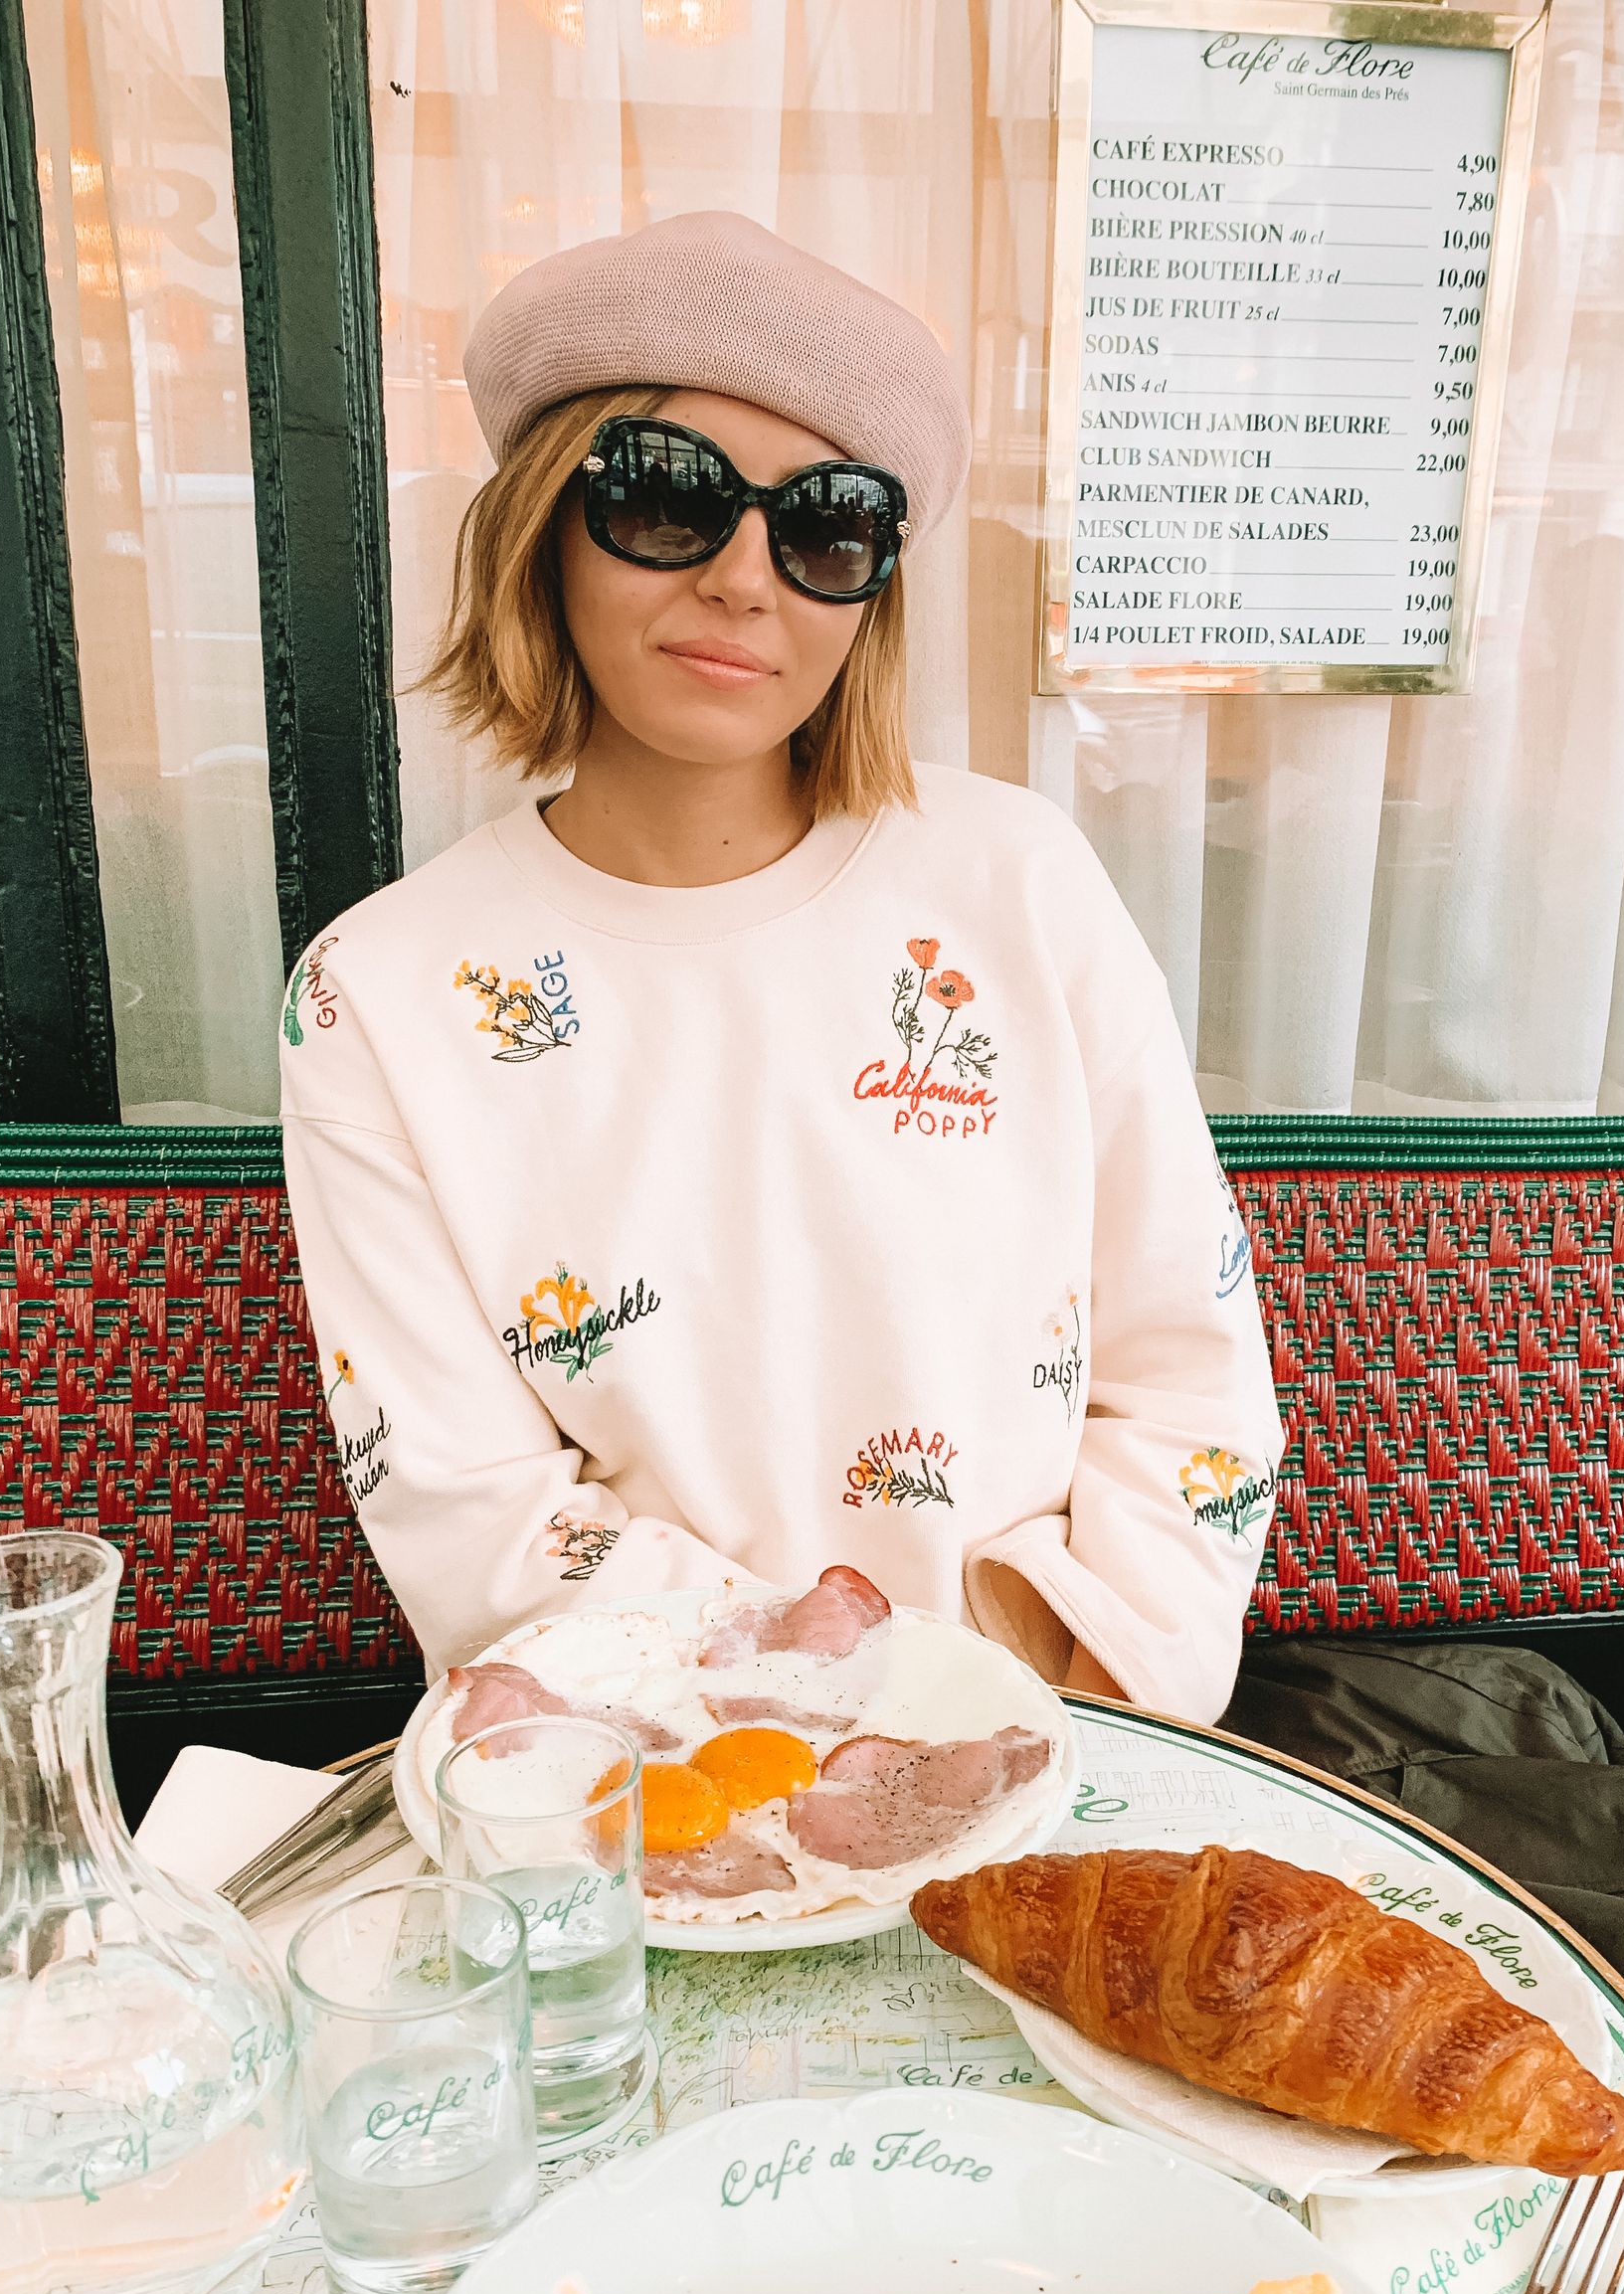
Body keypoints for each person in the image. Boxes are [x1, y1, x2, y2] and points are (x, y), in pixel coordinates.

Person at [279, 210, 1281, 1717]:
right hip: (635, 1761)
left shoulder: (1020, 882)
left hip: (1056, 1726)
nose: (747, 579)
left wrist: (1058, 1717)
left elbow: (1186, 1368)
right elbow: (473, 1513)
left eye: (826, 528)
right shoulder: (377, 994)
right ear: (543, 530)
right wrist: (833, 1734)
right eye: (667, 499)